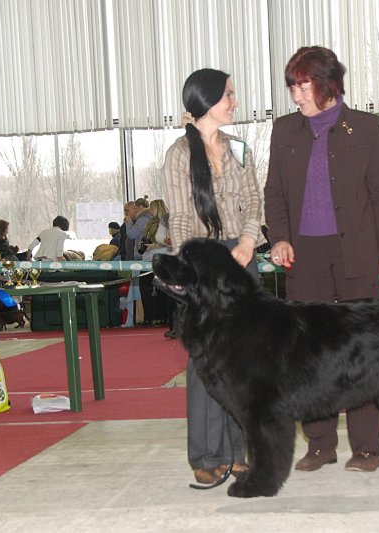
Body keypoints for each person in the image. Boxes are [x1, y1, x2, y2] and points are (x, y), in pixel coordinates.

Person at [265, 46, 379, 474]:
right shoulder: (284, 130)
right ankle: (320, 445)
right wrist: (281, 238)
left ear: (327, 84)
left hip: (358, 254)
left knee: (363, 351)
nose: (295, 95)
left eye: (302, 84)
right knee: (309, 356)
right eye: (291, 85)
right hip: (304, 258)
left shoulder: (366, 127)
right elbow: (274, 193)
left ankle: (367, 448)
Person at [163, 68, 263, 484]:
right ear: (205, 102)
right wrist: (188, 267)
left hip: (242, 259)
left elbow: (255, 201)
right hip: (203, 261)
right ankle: (206, 455)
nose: (235, 103)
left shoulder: (240, 148)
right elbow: (181, 216)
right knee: (204, 360)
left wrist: (247, 241)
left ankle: (243, 450)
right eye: (229, 95)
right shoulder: (179, 154)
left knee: (245, 359)